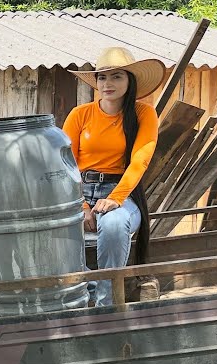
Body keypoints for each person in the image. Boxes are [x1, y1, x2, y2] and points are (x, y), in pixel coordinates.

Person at [65, 47, 165, 306]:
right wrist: (82, 205)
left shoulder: (144, 114)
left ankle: (106, 306)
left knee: (113, 225)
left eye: (117, 77)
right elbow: (65, 164)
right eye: (102, 77)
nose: (107, 83)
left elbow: (140, 160)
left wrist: (116, 198)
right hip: (79, 191)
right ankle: (79, 295)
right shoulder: (80, 115)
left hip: (122, 193)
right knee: (52, 229)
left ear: (130, 81)